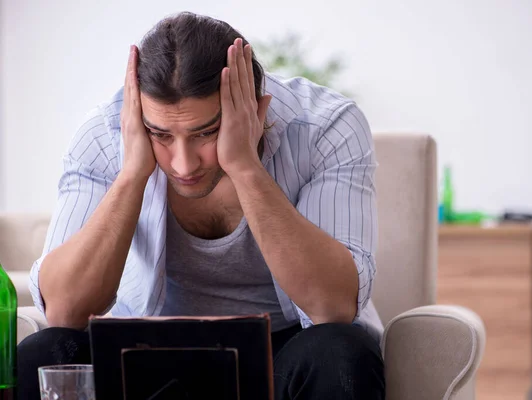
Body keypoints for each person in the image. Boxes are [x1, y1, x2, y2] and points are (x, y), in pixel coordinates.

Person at [18, 12, 384, 400]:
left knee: (339, 350)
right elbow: (64, 312)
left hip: (286, 349)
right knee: (43, 353)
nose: (183, 164)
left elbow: (332, 307)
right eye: (161, 135)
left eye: (205, 132)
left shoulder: (325, 127)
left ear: (254, 107)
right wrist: (132, 176)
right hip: (140, 348)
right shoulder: (104, 136)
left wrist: (245, 166)